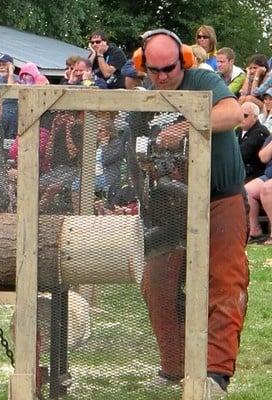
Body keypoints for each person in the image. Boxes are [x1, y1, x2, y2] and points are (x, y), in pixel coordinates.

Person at [136, 29, 247, 396]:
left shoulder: (203, 79)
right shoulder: (145, 98)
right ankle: (174, 366)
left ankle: (216, 374)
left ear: (182, 60)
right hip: (170, 208)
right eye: (154, 69)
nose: (162, 76)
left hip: (219, 198)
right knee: (155, 283)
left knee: (225, 282)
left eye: (168, 68)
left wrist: (185, 127)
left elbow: (232, 113)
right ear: (144, 67)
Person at [236, 102, 269, 182]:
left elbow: (242, 153)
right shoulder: (239, 130)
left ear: (255, 117)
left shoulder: (260, 132)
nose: (241, 118)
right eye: (240, 114)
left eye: (245, 115)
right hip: (241, 171)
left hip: (253, 174)